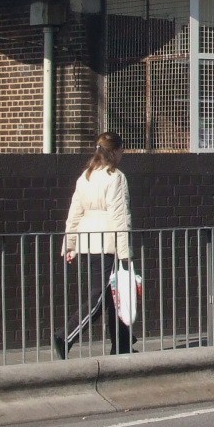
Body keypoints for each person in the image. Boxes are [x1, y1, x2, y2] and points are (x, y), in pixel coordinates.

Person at [55, 131, 136, 357]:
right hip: (107, 244)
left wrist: (70, 245)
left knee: (113, 297)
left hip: (88, 243)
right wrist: (124, 253)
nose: (123, 154)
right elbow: (120, 216)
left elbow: (74, 213)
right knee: (100, 298)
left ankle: (122, 344)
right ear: (115, 151)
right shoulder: (116, 177)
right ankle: (65, 336)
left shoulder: (86, 176)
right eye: (122, 150)